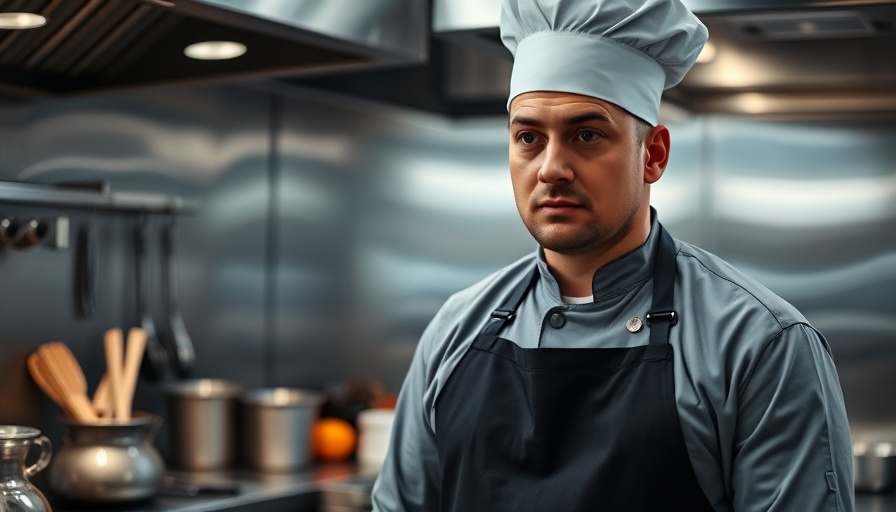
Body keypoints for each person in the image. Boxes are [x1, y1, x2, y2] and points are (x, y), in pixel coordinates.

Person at [370, 0, 854, 510]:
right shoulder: (456, 328)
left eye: (587, 134)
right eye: (529, 137)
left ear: (654, 155)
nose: (551, 168)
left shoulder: (761, 346)